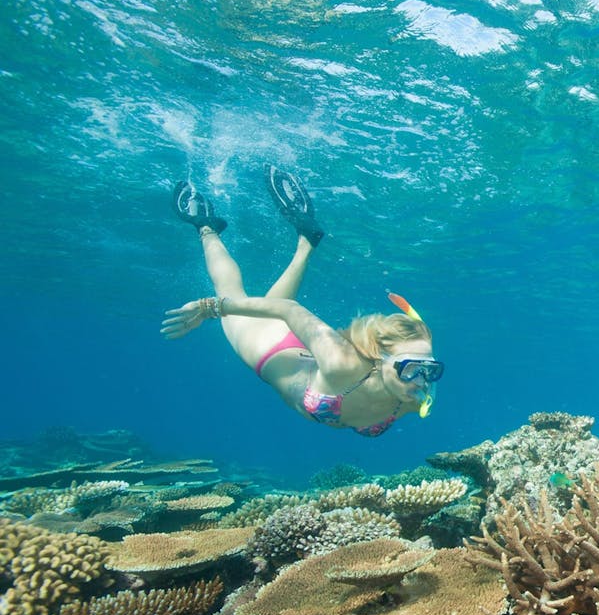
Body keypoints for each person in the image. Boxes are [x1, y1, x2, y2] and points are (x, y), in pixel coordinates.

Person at [162, 166, 442, 437]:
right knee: (230, 290)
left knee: (272, 303)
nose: (422, 380)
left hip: (301, 349)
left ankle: (307, 241)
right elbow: (288, 309)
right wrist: (209, 307)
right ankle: (205, 226)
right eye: (411, 369)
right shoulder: (340, 361)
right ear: (381, 359)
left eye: (430, 370)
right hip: (267, 347)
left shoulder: (416, 400)